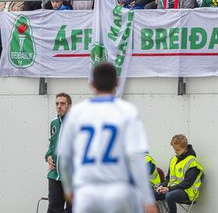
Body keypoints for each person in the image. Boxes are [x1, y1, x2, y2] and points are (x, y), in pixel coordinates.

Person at [57, 62, 159, 213]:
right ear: (116, 83)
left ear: (92, 84)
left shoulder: (77, 112)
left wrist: (68, 188)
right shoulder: (127, 111)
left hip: (86, 191)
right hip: (118, 189)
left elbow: (64, 157)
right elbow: (136, 157)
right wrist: (148, 199)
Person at [154, 134, 205, 213]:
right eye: (174, 149)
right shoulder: (173, 159)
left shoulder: (192, 162)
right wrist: (162, 186)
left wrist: (168, 189)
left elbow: (187, 184)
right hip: (173, 189)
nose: (175, 152)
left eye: (177, 150)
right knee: (152, 195)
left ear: (185, 148)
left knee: (169, 196)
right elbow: (168, 178)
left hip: (187, 192)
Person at [47, 92, 72, 213]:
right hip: (54, 176)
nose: (59, 106)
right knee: (54, 209)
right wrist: (48, 156)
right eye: (57, 104)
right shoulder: (54, 123)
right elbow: (52, 145)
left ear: (69, 105)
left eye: (62, 103)